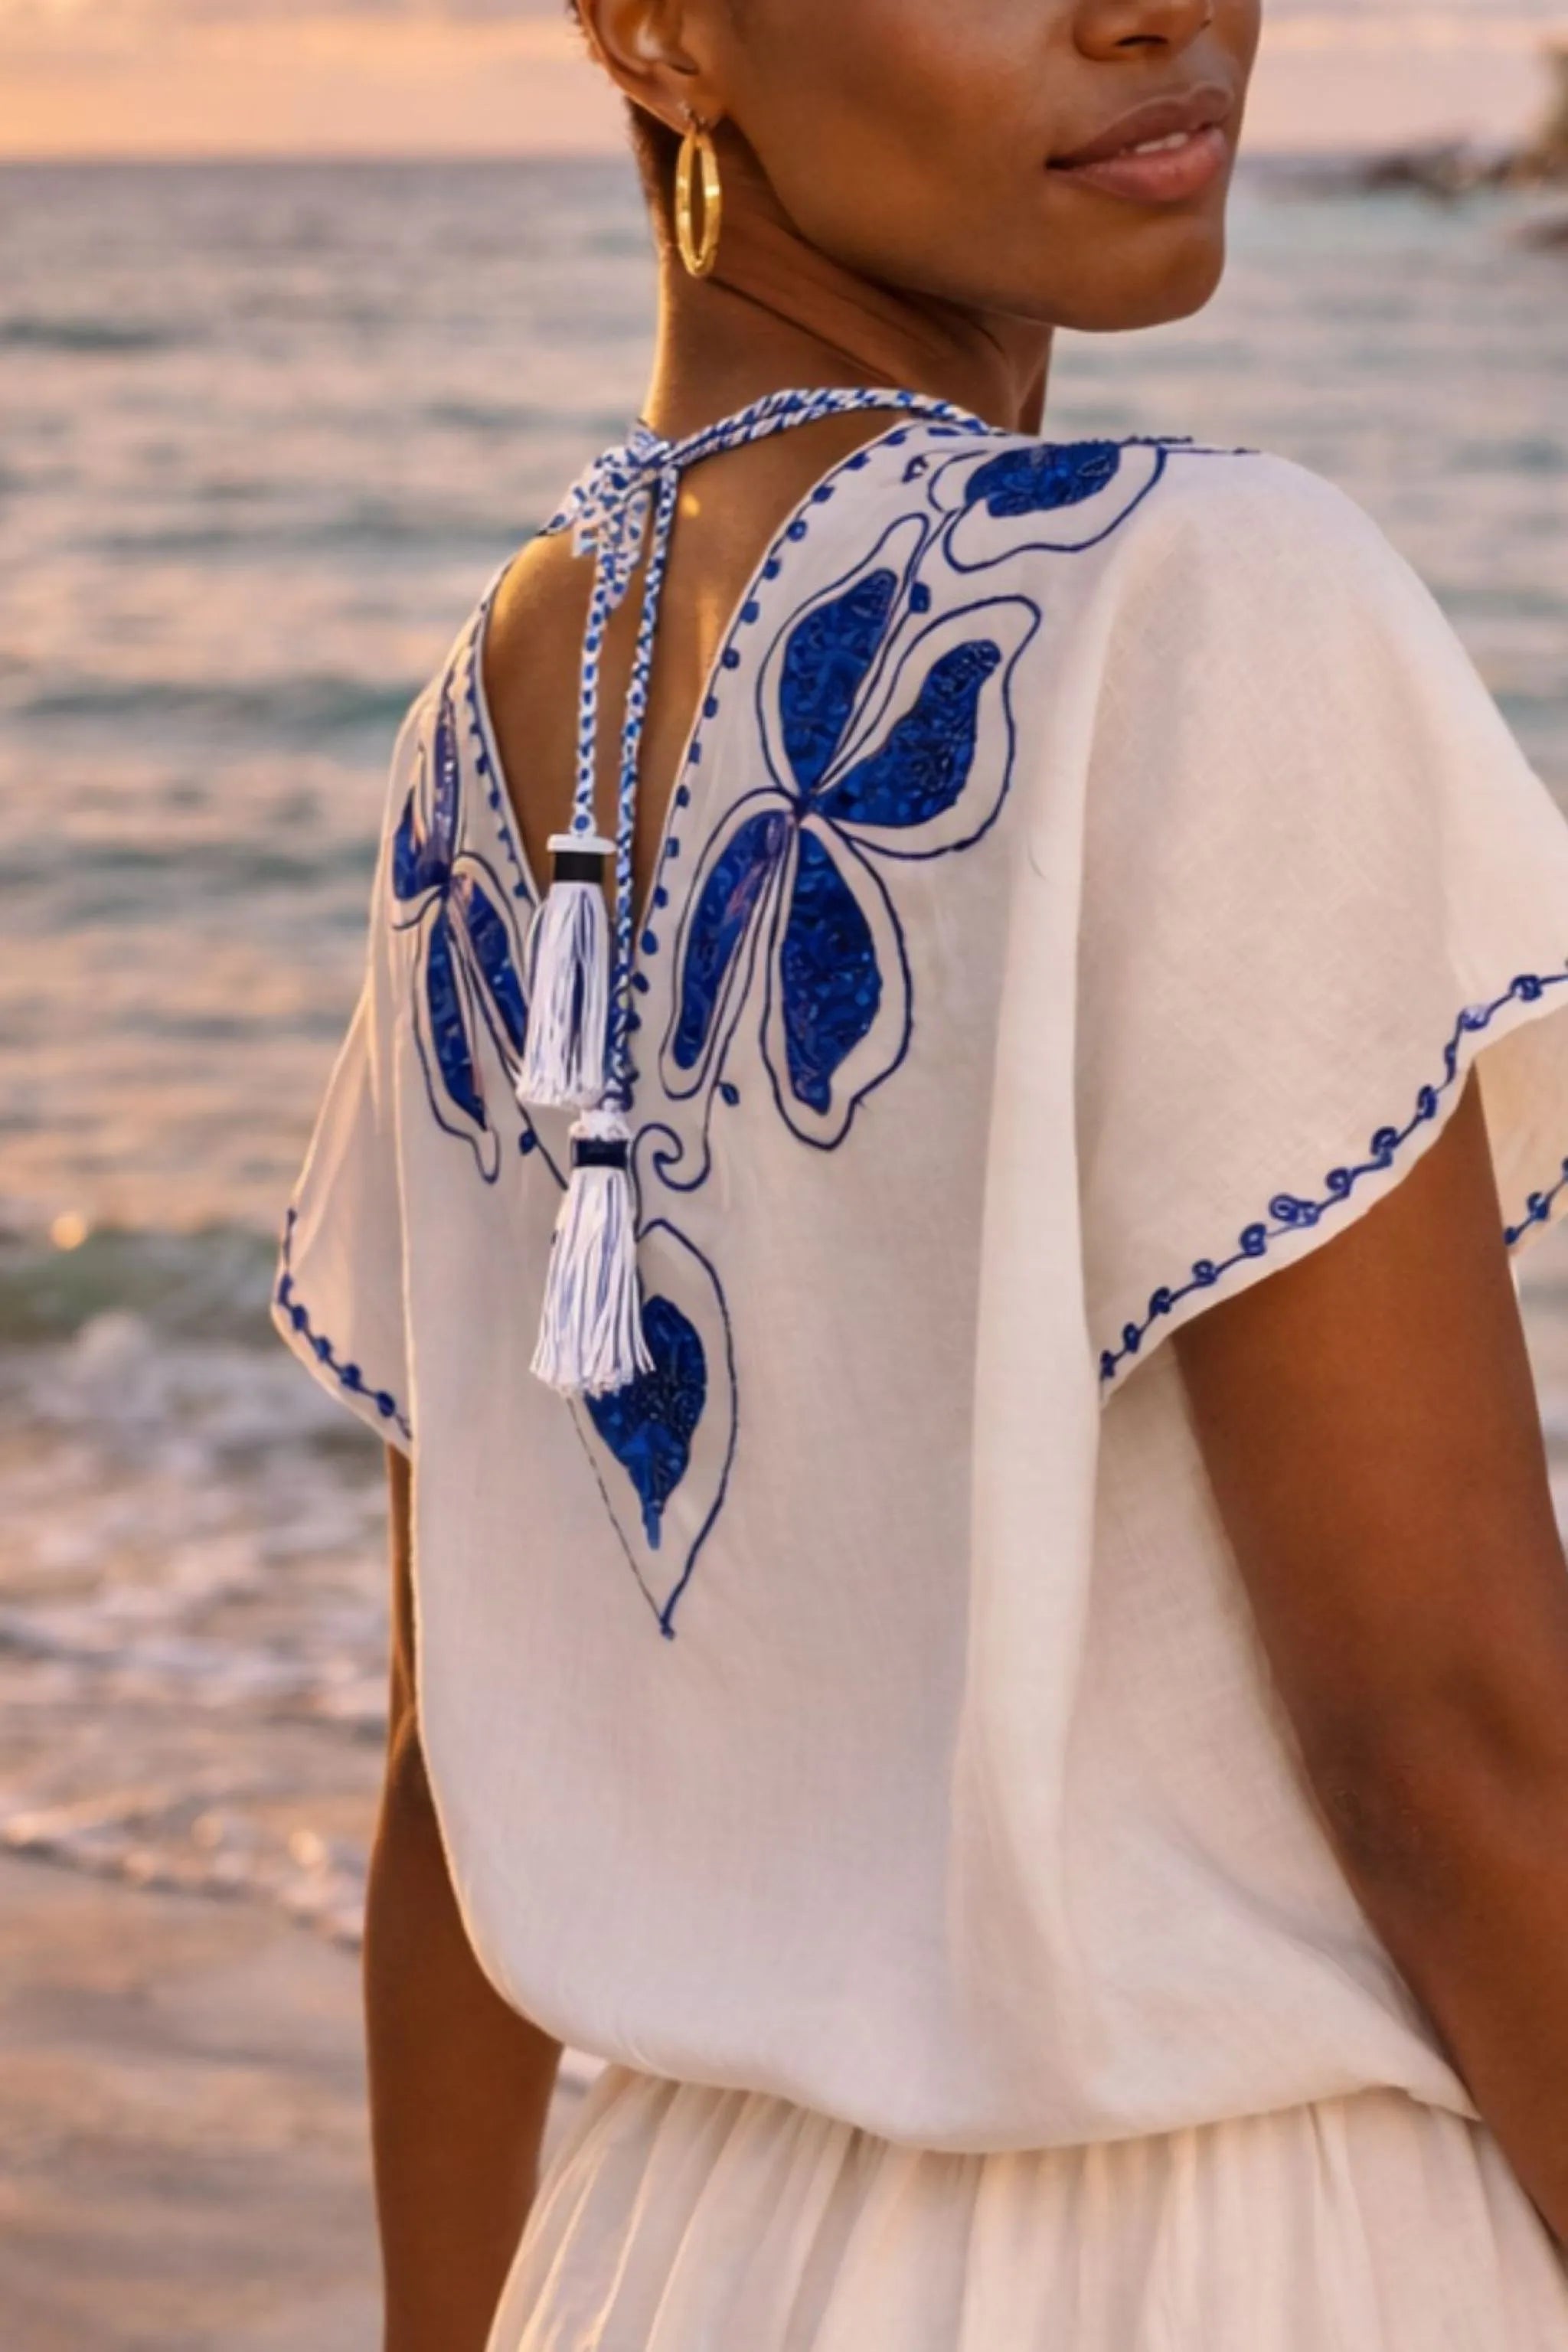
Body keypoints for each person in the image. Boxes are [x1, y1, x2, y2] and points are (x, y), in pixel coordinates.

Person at [274, 2, 1568, 2345]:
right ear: (660, 30)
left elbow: (445, 1770)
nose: (1158, 7)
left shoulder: (493, 710)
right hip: (1245, 2268)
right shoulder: (1203, 592)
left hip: (666, 2267)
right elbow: (1457, 1755)